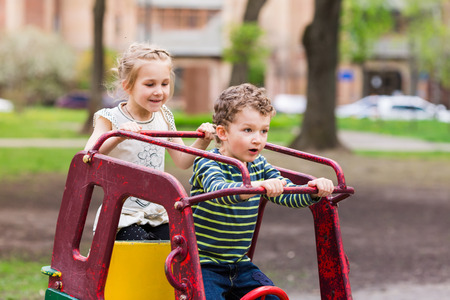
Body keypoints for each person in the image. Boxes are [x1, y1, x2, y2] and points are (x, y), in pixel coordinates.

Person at [189, 83, 334, 299]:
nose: (258, 139)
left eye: (264, 131)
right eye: (248, 130)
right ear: (223, 132)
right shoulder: (209, 162)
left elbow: (288, 193)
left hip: (239, 263)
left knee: (273, 297)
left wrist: (314, 191)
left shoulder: (259, 165)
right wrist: (255, 189)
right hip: (204, 264)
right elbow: (219, 191)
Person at [84, 42, 215, 241]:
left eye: (164, 84)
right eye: (150, 84)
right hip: (121, 216)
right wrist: (118, 135)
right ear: (127, 86)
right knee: (142, 246)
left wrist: (203, 142)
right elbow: (89, 154)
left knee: (182, 243)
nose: (159, 91)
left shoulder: (164, 116)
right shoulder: (110, 118)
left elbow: (182, 160)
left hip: (157, 213)